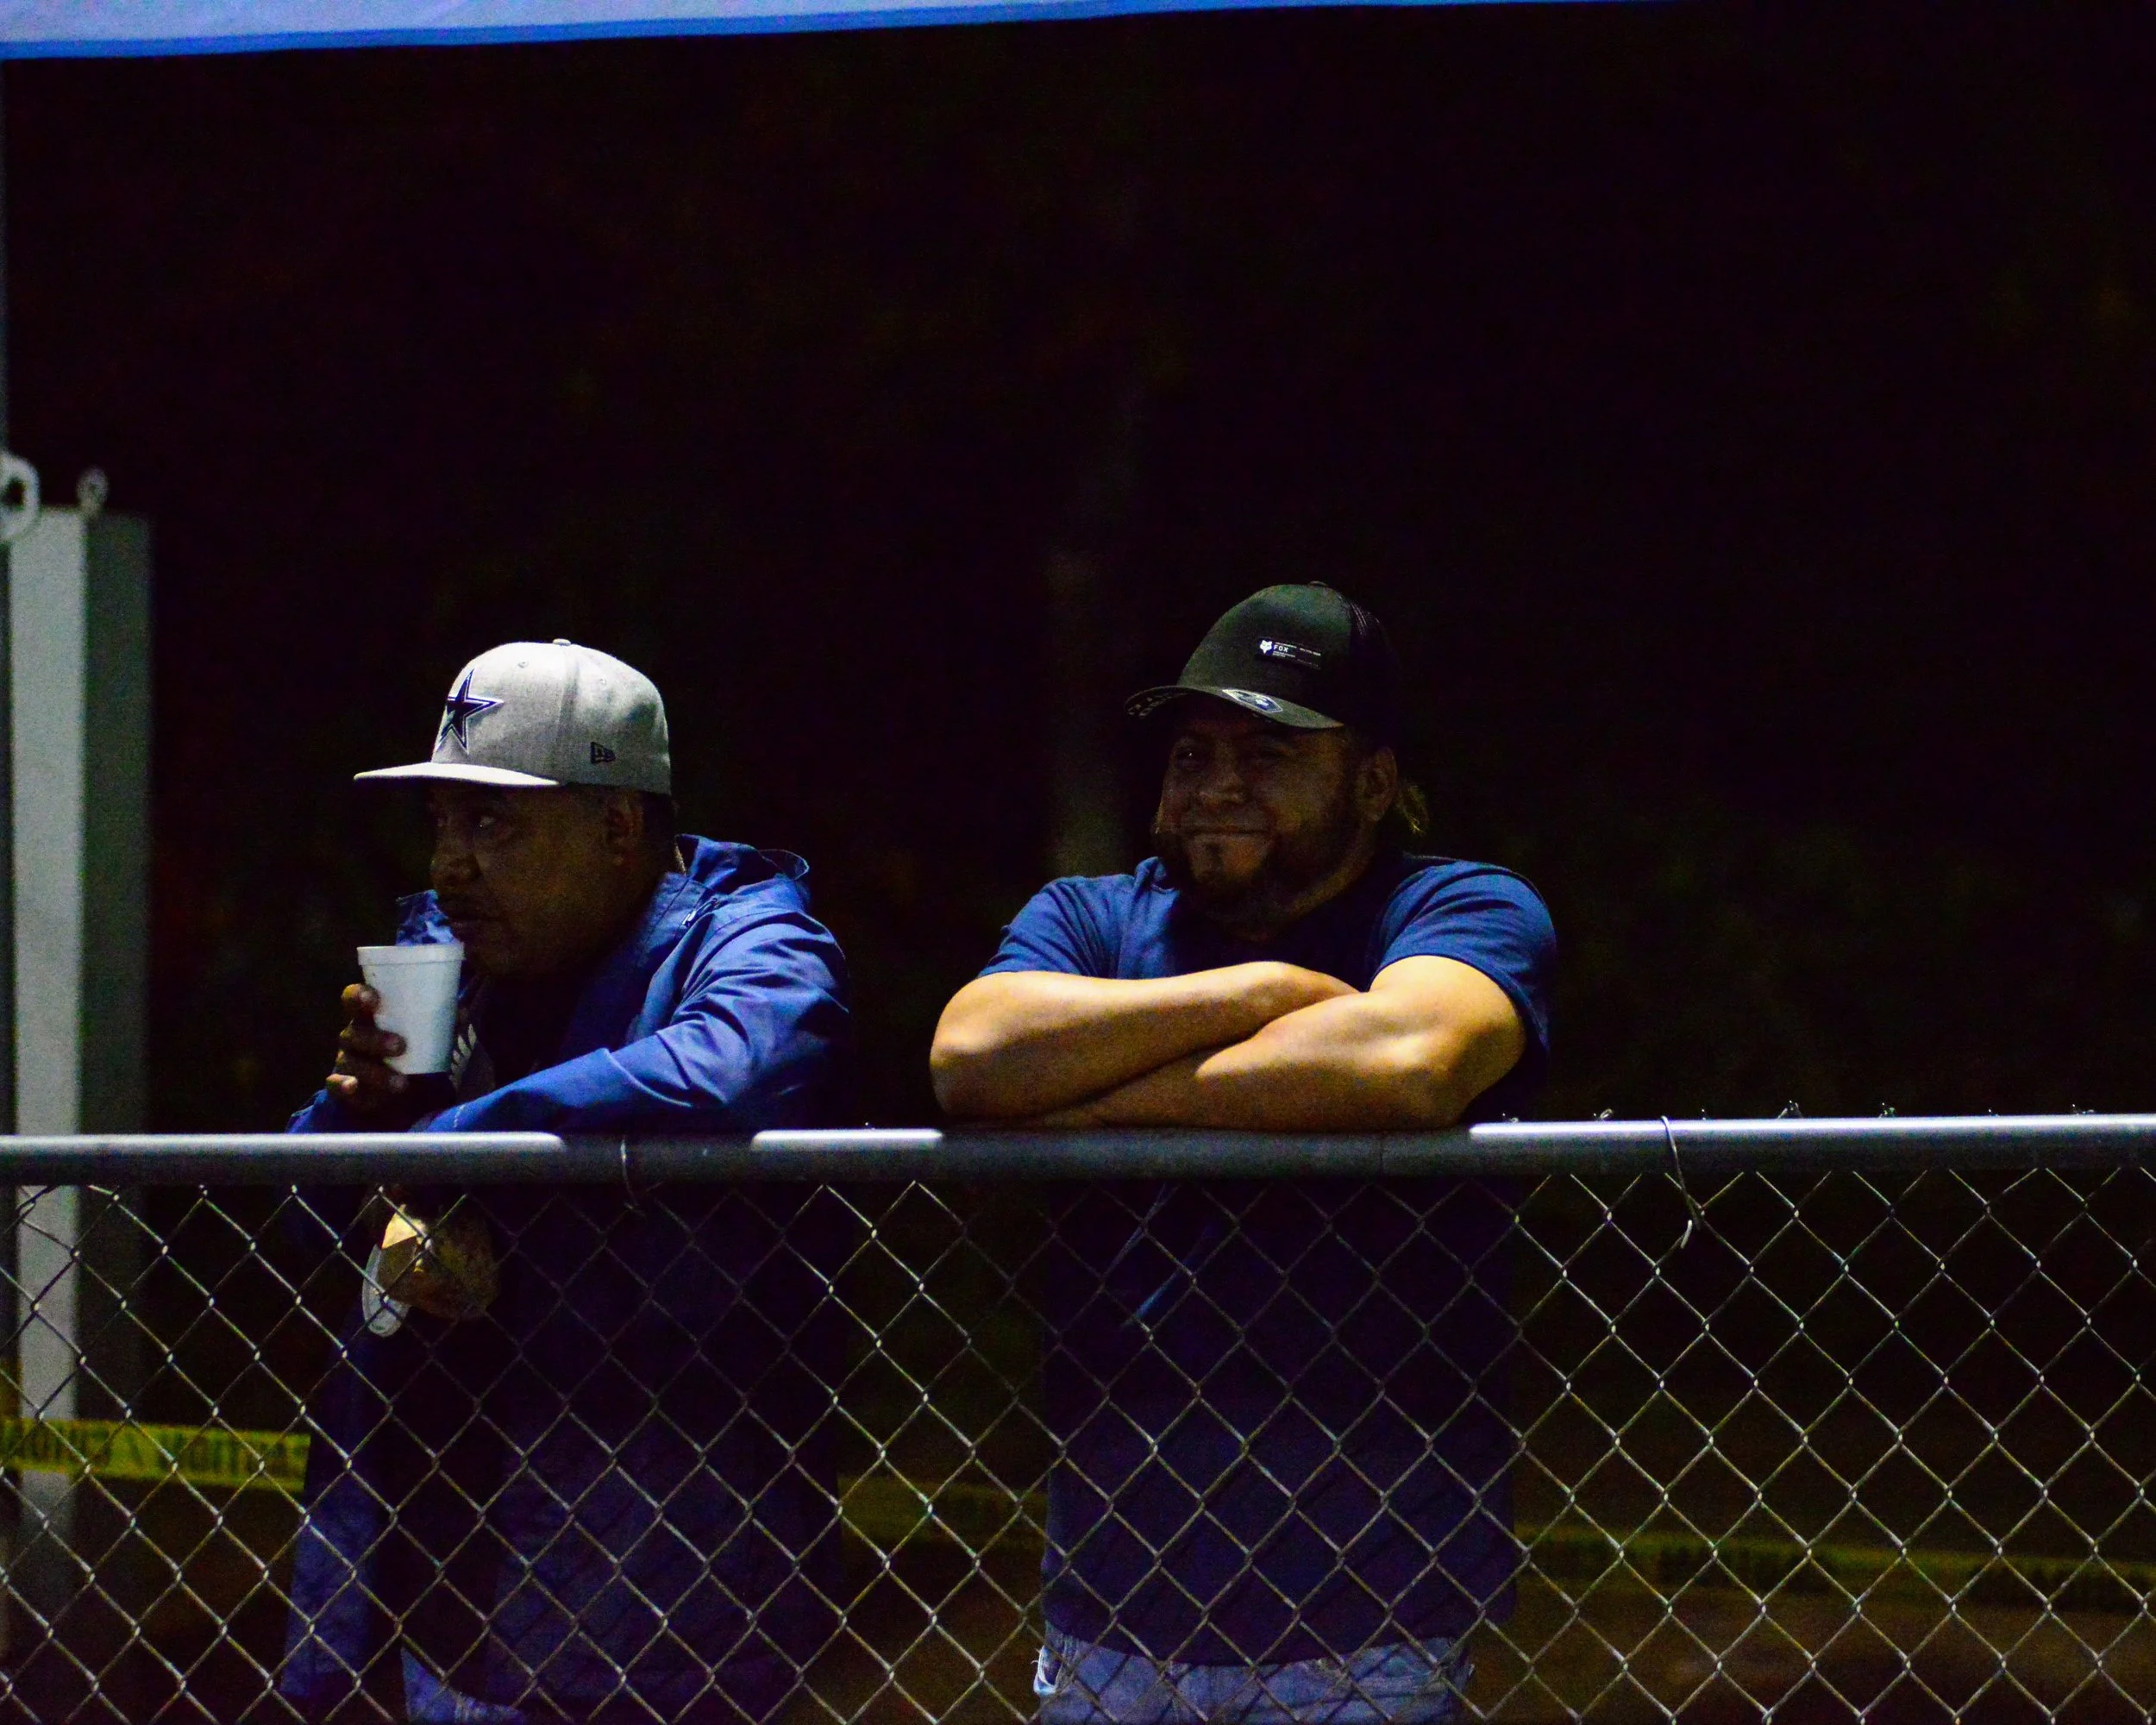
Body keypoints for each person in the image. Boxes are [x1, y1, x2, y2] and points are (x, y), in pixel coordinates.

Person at [931, 585, 1556, 1724]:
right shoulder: (1093, 917)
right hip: (1113, 1604)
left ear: (1373, 782)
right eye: (1193, 753)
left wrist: (1096, 1104)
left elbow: (1405, 1059)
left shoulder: (1455, 904)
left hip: (1368, 1608)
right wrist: (1265, 995)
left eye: (1267, 752)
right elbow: (973, 1054)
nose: (1217, 784)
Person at [279, 640, 852, 1725]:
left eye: (492, 822)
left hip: (662, 1614)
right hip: (441, 1594)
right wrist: (360, 1115)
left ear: (618, 826)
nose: (449, 863)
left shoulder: (742, 932)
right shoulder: (448, 958)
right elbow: (305, 1219)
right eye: (442, 819)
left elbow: (739, 1059)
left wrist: (450, 1142)